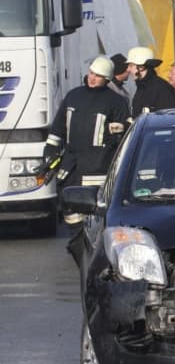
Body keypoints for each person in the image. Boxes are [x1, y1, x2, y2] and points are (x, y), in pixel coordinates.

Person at [42, 55, 131, 251]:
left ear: (107, 79)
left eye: (98, 76)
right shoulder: (73, 96)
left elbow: (123, 138)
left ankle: (96, 252)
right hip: (71, 167)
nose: (92, 78)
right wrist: (50, 151)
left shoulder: (117, 102)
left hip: (98, 169)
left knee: (97, 216)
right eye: (91, 73)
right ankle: (78, 245)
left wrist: (116, 133)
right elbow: (58, 129)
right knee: (70, 213)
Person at [126, 46, 175, 116]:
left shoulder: (162, 89)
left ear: (141, 67)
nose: (128, 70)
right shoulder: (142, 87)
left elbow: (169, 119)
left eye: (131, 66)